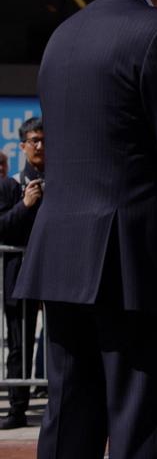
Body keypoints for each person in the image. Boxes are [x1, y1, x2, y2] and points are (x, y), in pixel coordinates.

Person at [12, 0, 157, 457]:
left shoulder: (63, 35)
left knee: (67, 418)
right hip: (134, 260)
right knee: (141, 421)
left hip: (61, 256)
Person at [0, 118, 44, 430]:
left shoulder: (65, 179)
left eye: (44, 140)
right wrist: (25, 205)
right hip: (19, 274)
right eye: (33, 140)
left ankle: (62, 402)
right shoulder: (12, 184)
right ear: (23, 146)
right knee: (19, 344)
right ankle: (17, 408)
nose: (40, 146)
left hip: (60, 272)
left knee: (66, 342)